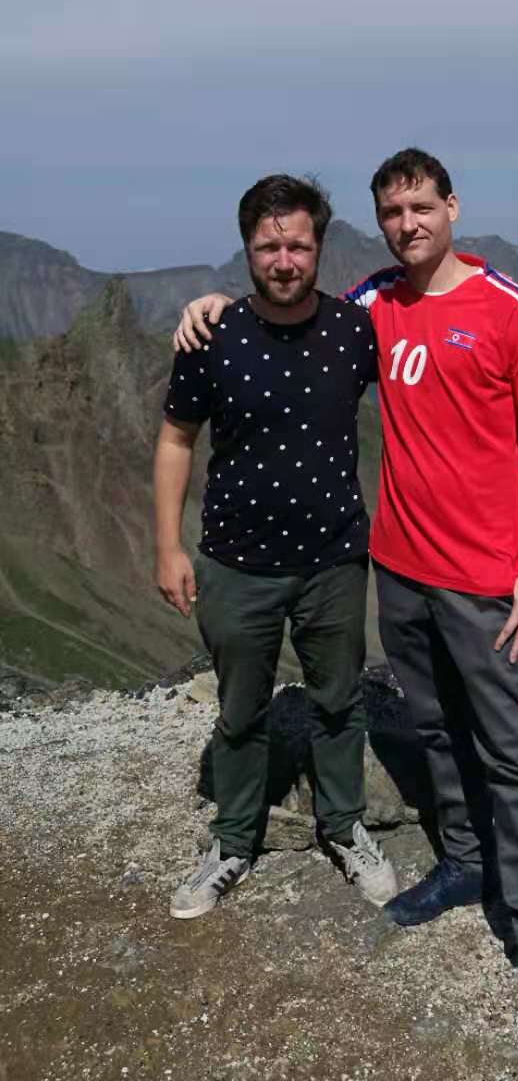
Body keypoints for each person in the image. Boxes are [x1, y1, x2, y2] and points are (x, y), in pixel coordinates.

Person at [175, 150, 518, 1043]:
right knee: (436, 728)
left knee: (511, 751)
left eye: (421, 207)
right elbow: (291, 308)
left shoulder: (511, 308)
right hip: (400, 570)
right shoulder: (376, 305)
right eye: (393, 212)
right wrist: (210, 305)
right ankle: (465, 862)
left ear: (452, 207)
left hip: (487, 579)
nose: (408, 224)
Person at [155, 173, 396, 920]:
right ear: (247, 250)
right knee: (240, 711)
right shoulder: (212, 336)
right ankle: (232, 842)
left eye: (297, 246)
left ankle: (344, 827)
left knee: (339, 702)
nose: (284, 261)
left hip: (334, 561)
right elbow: (175, 440)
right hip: (235, 564)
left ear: (318, 247)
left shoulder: (353, 332)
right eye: (268, 247)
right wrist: (168, 547)